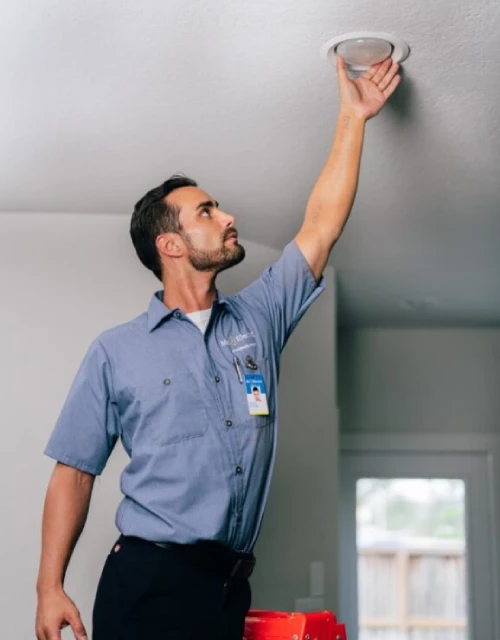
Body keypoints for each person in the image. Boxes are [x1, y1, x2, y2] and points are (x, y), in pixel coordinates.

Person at [35, 56, 400, 640]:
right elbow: (74, 474)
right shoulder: (115, 352)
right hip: (147, 582)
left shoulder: (258, 317)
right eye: (207, 211)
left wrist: (353, 119)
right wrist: (48, 587)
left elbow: (321, 226)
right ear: (170, 244)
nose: (228, 217)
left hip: (228, 587)